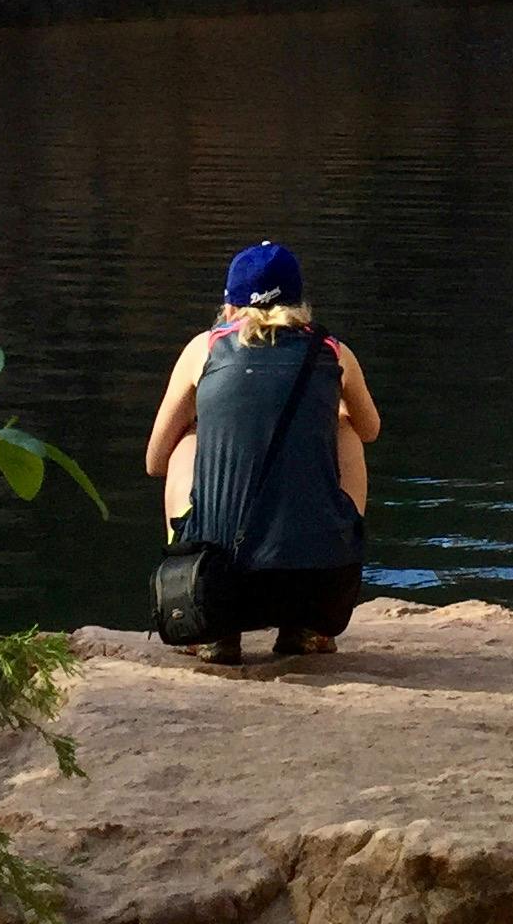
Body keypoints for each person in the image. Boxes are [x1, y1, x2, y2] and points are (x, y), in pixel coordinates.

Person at [143, 240, 381, 664]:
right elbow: (371, 428)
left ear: (230, 307)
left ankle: (210, 622)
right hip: (316, 589)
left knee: (186, 442)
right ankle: (307, 630)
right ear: (299, 303)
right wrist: (325, 408)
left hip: (217, 589)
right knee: (346, 431)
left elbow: (154, 461)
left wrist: (212, 427)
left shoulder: (204, 349)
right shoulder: (333, 352)